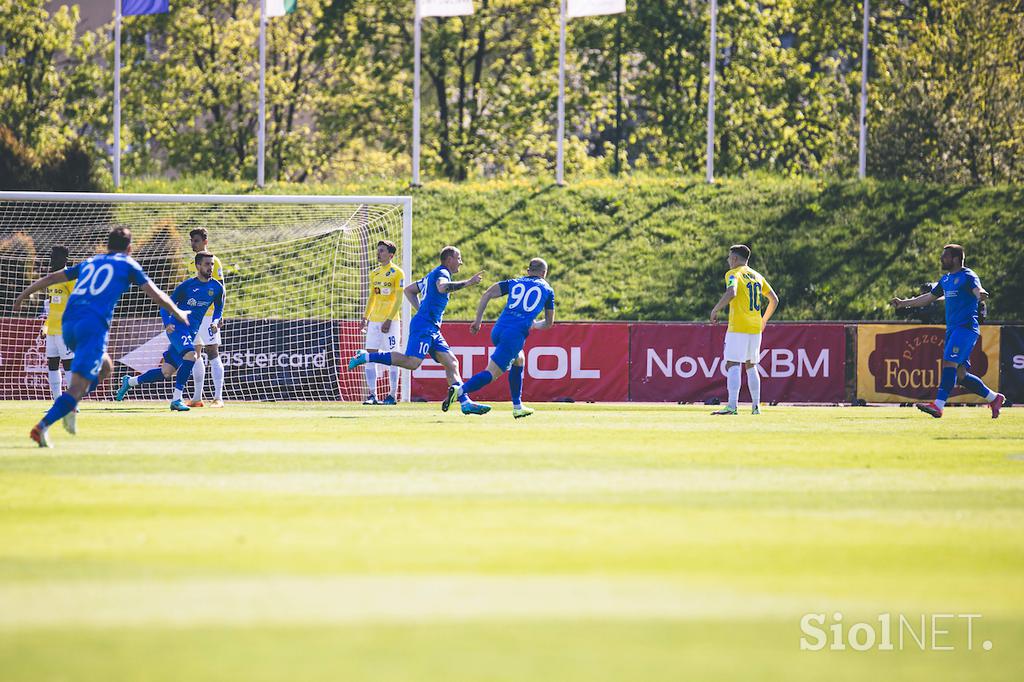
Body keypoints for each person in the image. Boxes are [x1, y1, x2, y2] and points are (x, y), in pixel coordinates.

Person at [13, 227, 189, 447]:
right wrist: (178, 312)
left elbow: (52, 277)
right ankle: (44, 426)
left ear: (107, 246)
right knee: (77, 386)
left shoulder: (91, 261)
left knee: (106, 367)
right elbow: (157, 294)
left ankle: (69, 404)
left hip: (67, 324)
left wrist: (24, 294)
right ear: (130, 248)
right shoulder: (128, 264)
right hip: (91, 325)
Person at [348, 246, 485, 412]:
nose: (461, 262)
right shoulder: (442, 273)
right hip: (424, 326)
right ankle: (366, 356)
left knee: (452, 363)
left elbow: (409, 290)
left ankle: (465, 403)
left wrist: (420, 309)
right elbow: (442, 287)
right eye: (459, 258)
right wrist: (468, 283)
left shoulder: (431, 274)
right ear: (449, 260)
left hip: (431, 327)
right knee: (412, 362)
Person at [891, 243, 1005, 418]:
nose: (941, 258)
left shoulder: (968, 275)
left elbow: (977, 290)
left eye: (945, 256)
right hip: (953, 330)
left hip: (966, 329)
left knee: (948, 364)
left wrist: (981, 294)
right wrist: (904, 303)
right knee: (960, 375)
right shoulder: (945, 280)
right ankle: (994, 397)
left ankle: (938, 405)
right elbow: (928, 298)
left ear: (956, 259)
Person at [443, 258, 555, 418]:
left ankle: (517, 406)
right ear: (544, 273)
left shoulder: (515, 282)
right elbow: (549, 323)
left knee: (519, 359)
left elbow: (487, 293)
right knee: (492, 373)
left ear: (528, 271)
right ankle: (459, 390)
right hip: (514, 336)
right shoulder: (548, 290)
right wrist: (535, 324)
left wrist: (478, 320)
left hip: (498, 329)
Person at [115, 252, 225, 412]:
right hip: (177, 327)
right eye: (207, 264)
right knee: (192, 355)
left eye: (212, 264)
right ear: (198, 266)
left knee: (167, 371)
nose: (210, 267)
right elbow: (165, 305)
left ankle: (130, 382)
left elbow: (218, 309)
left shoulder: (216, 287)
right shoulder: (186, 286)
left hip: (192, 331)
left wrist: (215, 322)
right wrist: (167, 324)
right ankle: (176, 399)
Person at [708, 244, 779, 415]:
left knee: (733, 363)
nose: (727, 260)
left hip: (738, 326)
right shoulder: (756, 275)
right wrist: (764, 320)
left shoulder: (733, 274)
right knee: (751, 364)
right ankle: (756, 407)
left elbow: (731, 292)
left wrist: (715, 309)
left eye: (728, 257)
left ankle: (732, 406)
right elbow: (774, 299)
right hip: (755, 327)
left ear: (734, 258)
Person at [360, 240, 404, 405]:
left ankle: (392, 395)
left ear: (390, 255)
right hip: (374, 322)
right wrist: (366, 317)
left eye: (382, 251)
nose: (378, 253)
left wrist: (389, 319)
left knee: (394, 357)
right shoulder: (375, 273)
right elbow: (372, 297)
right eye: (378, 250)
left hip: (391, 322)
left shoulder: (397, 273)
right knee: (369, 356)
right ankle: (372, 395)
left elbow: (399, 299)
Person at [187, 228, 226, 408]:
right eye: (192, 240)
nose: (192, 243)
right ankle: (197, 398)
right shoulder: (191, 263)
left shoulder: (214, 262)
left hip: (209, 315)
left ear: (205, 241)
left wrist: (220, 315)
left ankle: (218, 398)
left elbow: (221, 289)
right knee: (196, 354)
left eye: (195, 240)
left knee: (212, 352)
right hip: (194, 317)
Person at [39, 245, 76, 401]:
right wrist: (45, 326)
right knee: (52, 364)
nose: (51, 260)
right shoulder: (52, 279)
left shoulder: (70, 278)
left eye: (55, 257)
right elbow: (53, 307)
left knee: (68, 364)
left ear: (64, 259)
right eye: (51, 257)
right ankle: (57, 400)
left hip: (65, 330)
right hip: (52, 330)